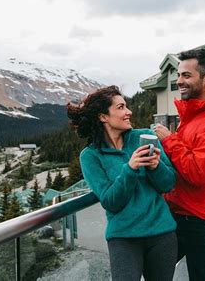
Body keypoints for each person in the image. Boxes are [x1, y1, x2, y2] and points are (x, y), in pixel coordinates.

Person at [67, 85, 178, 281]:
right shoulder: (90, 156)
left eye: (126, 106)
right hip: (123, 238)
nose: (129, 112)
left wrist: (155, 166)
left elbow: (168, 184)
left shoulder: (143, 138)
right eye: (121, 107)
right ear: (103, 117)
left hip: (162, 235)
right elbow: (111, 201)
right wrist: (131, 168)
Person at [153, 48, 205, 281]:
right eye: (178, 75)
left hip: (204, 222)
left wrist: (168, 140)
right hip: (180, 214)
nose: (179, 81)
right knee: (156, 270)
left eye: (186, 75)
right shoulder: (193, 117)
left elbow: (197, 173)